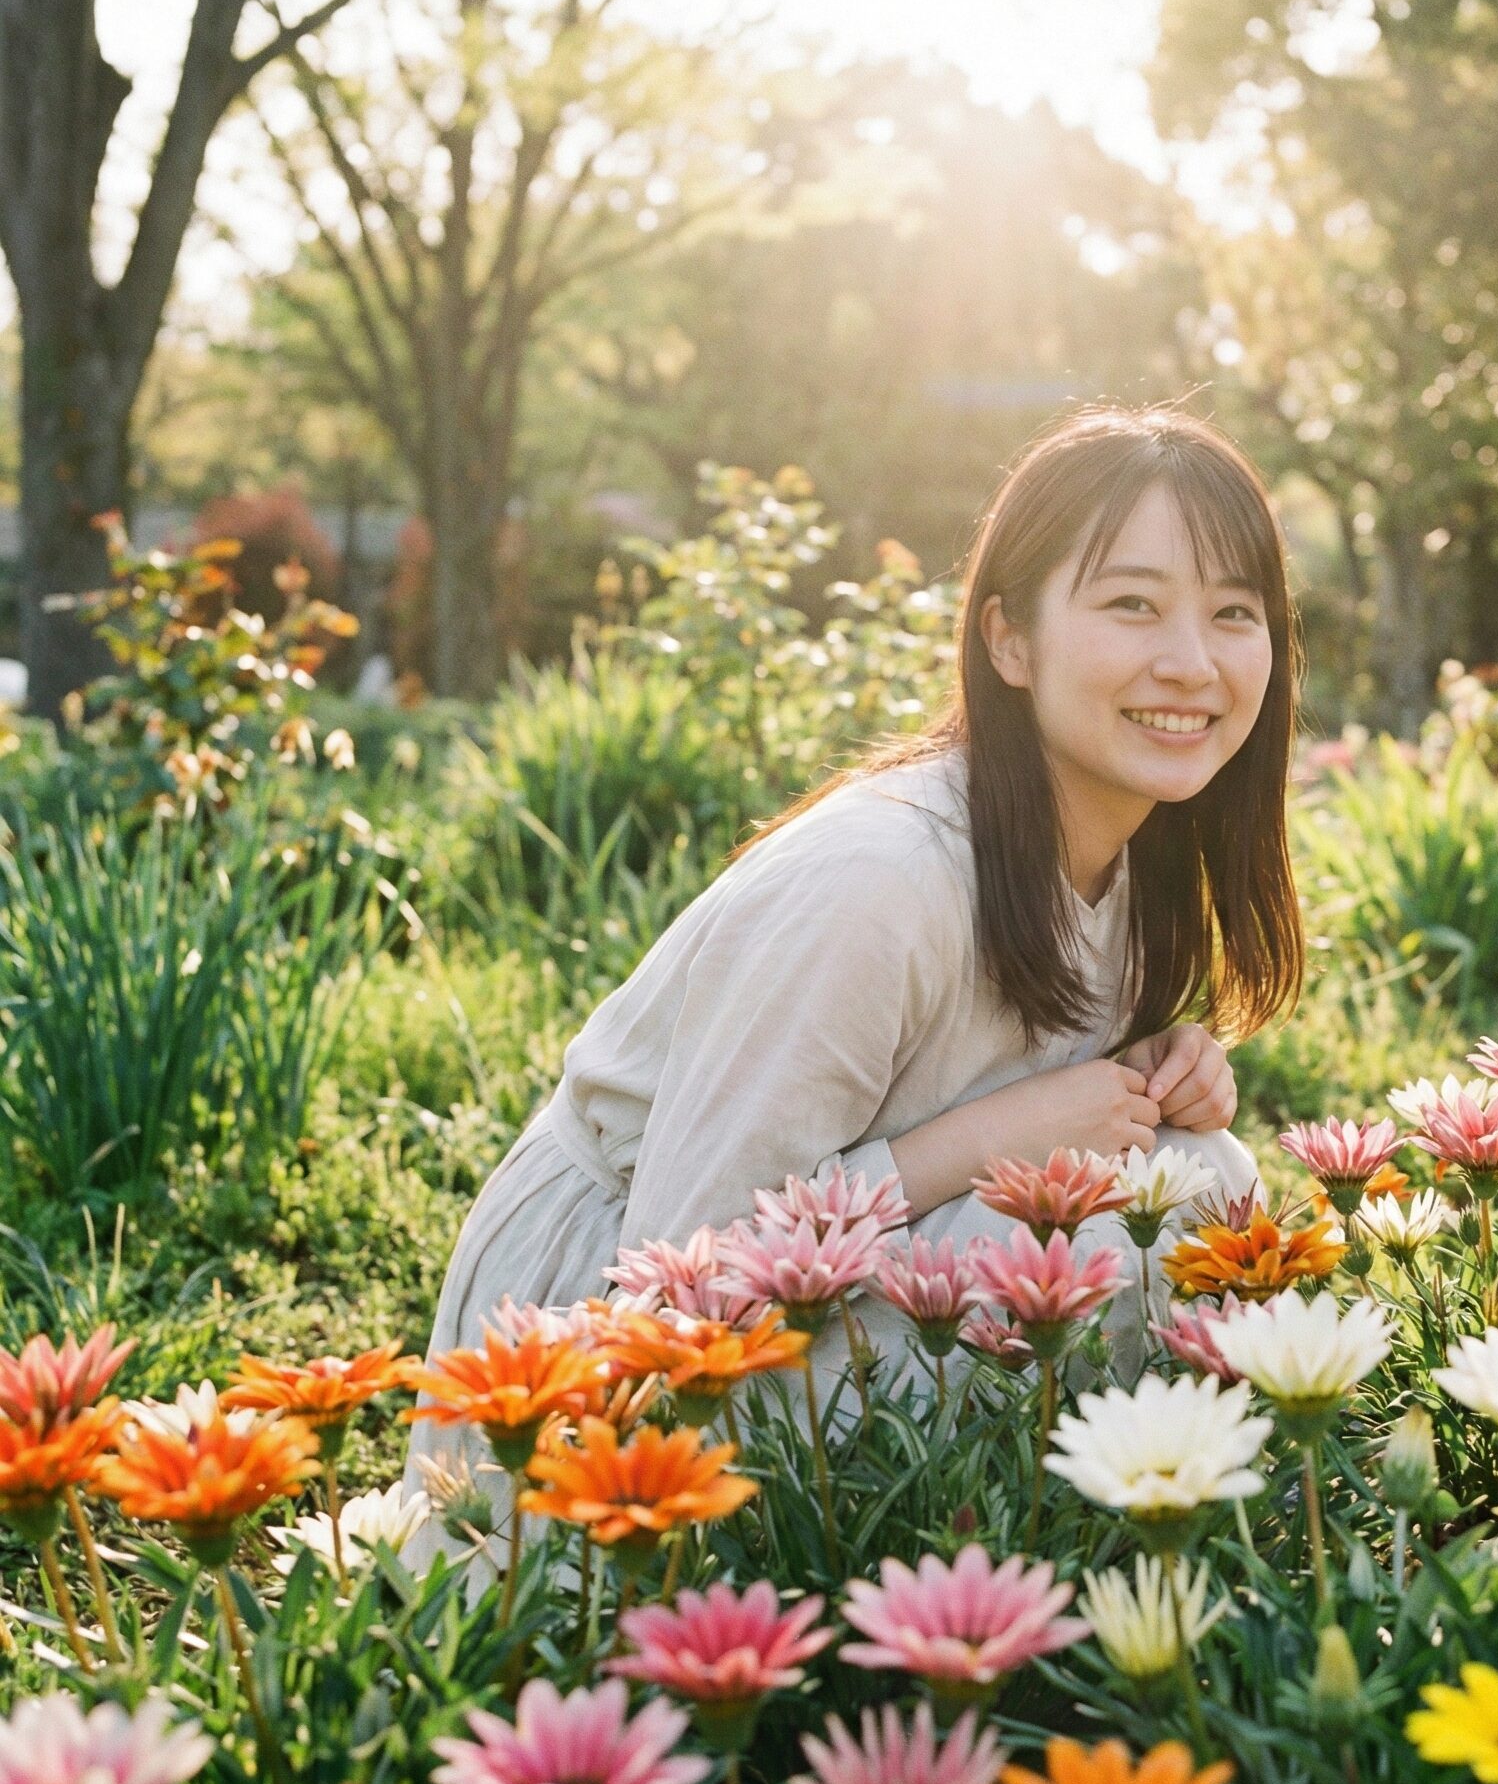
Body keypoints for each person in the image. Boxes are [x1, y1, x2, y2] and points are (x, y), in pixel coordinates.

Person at [401, 401, 1305, 1516]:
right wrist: (981, 1141)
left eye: (1233, 612)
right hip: (599, 1362)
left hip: (806, 1292)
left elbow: (1006, 1054)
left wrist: (1161, 1066)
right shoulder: (874, 878)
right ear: (1007, 639)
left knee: (1199, 1174)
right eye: (1131, 603)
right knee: (1144, 1227)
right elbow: (684, 1274)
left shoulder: (1132, 852)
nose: (1191, 662)